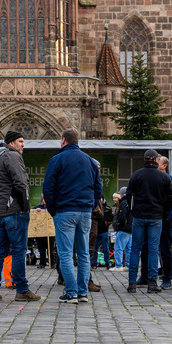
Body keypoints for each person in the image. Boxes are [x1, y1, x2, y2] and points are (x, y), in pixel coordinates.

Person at [43, 127, 102, 303]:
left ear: (63, 141)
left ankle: (71, 292)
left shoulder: (57, 160)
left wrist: (53, 210)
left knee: (66, 253)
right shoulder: (90, 161)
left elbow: (48, 188)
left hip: (65, 211)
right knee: (84, 253)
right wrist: (90, 205)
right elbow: (98, 188)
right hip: (85, 212)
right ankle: (83, 292)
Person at [0, 130, 39, 302]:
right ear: (11, 143)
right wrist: (25, 207)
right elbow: (21, 183)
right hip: (14, 212)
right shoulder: (12, 156)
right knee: (18, 251)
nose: (23, 144)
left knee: (0, 250)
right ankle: (22, 289)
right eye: (20, 141)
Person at [125, 149, 172, 294]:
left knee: (135, 249)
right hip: (155, 217)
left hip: (139, 216)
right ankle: (152, 283)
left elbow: (129, 195)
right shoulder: (164, 177)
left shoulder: (137, 174)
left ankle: (132, 283)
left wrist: (134, 210)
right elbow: (171, 199)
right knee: (153, 250)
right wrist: (163, 212)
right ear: (156, 160)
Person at [157, 155, 172, 288]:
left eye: (158, 162)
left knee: (165, 248)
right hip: (154, 217)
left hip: (165, 219)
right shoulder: (154, 178)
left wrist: (169, 217)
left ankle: (167, 277)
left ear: (164, 165)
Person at [112, 190, 132, 270]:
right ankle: (129, 265)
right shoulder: (131, 202)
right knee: (129, 249)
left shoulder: (123, 203)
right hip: (130, 229)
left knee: (118, 248)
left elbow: (122, 216)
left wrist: (118, 225)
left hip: (123, 229)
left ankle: (118, 265)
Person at [91, 198, 112, 270]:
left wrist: (107, 224)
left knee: (106, 248)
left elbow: (111, 218)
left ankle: (107, 263)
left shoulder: (108, 207)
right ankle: (94, 263)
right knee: (94, 248)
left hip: (104, 231)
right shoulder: (95, 206)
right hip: (96, 231)